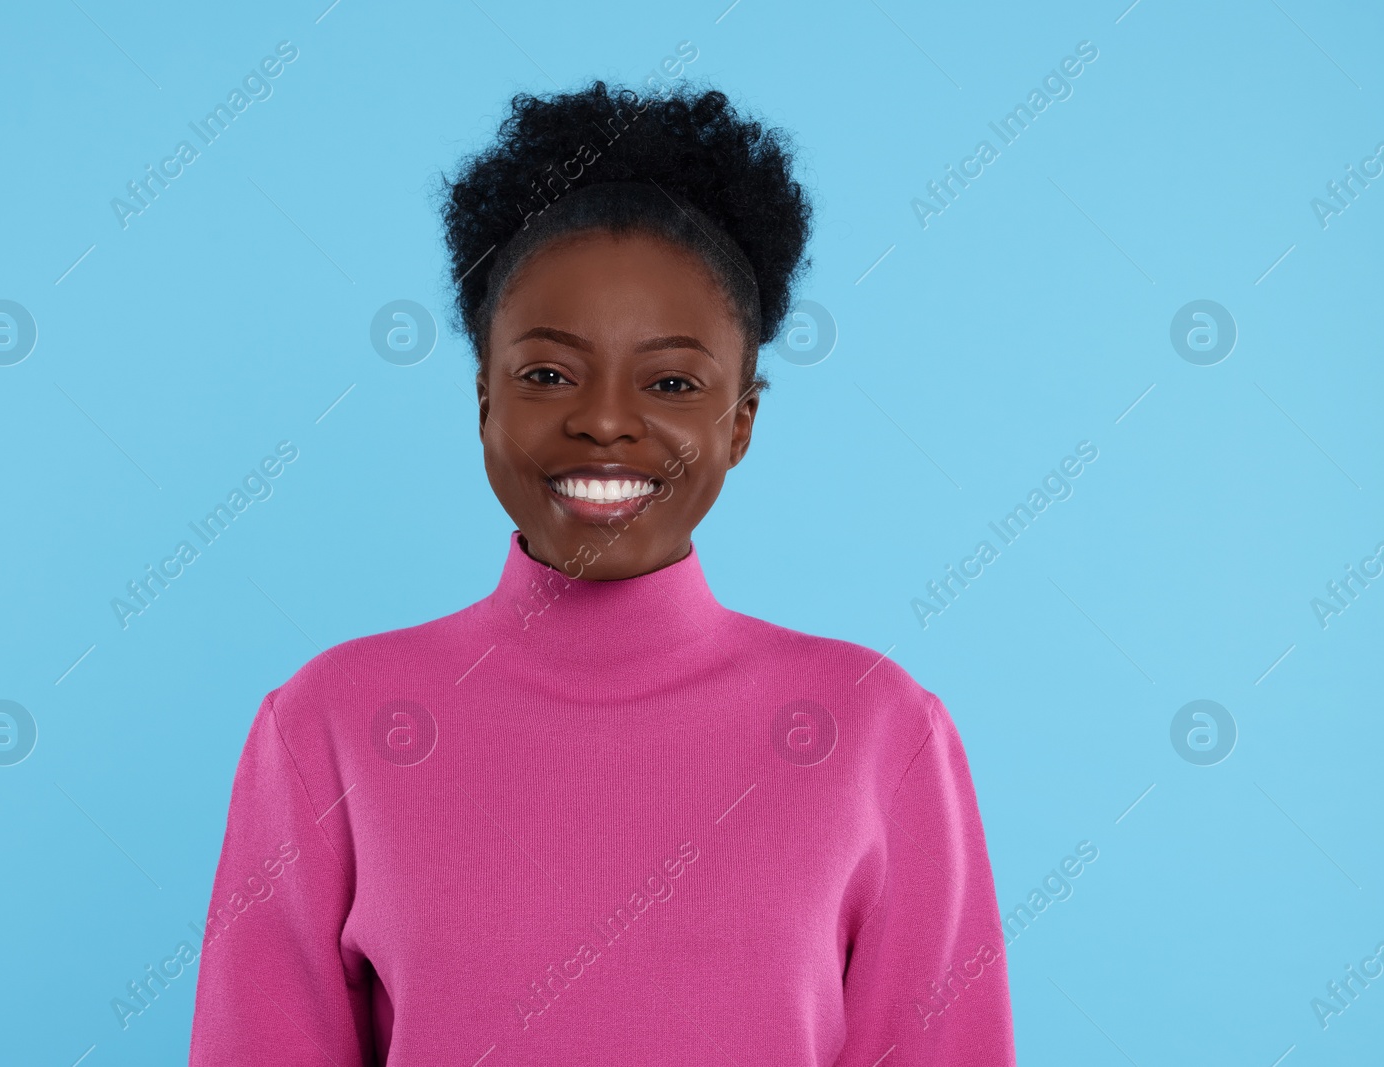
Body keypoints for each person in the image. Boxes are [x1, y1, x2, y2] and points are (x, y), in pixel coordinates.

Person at [189, 79, 1015, 1066]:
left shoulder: (880, 727)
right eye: (548, 374)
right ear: (483, 397)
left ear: (741, 420)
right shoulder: (328, 724)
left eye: (671, 382)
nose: (606, 420)